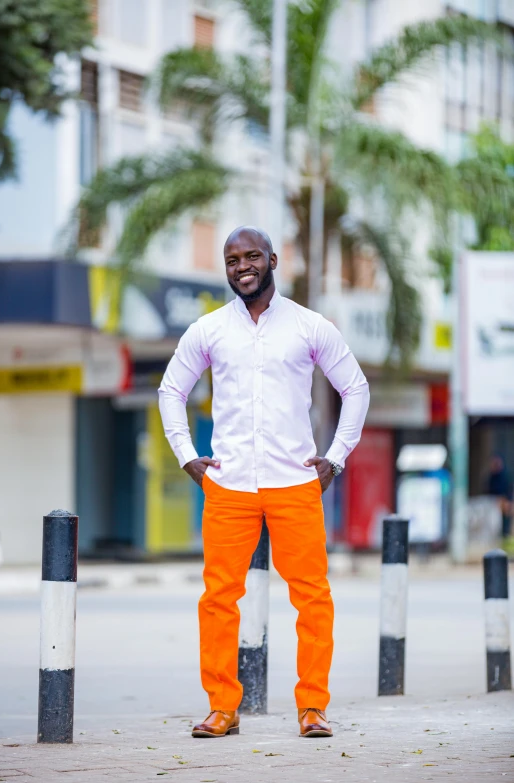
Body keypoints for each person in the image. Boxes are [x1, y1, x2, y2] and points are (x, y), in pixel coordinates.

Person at [158, 226, 369, 738]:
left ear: (272, 259)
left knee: (312, 595)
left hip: (294, 482)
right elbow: (171, 390)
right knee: (217, 597)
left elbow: (356, 388)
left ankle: (313, 707)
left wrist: (335, 458)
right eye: (232, 259)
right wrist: (188, 457)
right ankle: (223, 707)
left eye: (252, 256)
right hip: (228, 486)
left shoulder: (308, 326)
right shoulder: (209, 330)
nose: (242, 266)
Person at [486, 455, 513, 540]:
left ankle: (506, 535)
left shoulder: (504, 476)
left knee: (506, 521)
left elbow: (508, 489)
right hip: (494, 502)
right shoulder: (492, 476)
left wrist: (508, 501)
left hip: (504, 501)